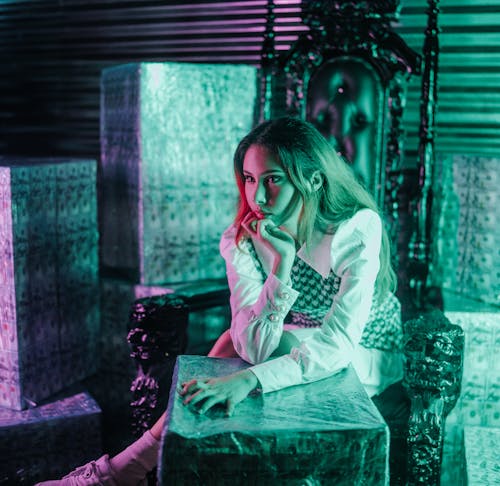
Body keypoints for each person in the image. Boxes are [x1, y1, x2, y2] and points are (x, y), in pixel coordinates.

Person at [36, 116, 407, 486]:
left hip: (362, 346)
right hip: (288, 335)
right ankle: (148, 468)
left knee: (241, 352)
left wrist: (248, 380)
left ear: (312, 180)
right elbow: (253, 344)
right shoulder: (243, 237)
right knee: (237, 342)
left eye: (273, 179)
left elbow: (338, 346)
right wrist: (282, 266)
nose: (257, 197)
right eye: (249, 179)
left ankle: (128, 468)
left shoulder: (355, 229)